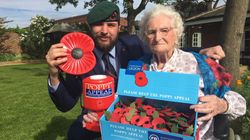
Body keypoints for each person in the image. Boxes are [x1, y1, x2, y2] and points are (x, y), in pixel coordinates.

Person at [46, 1, 228, 140]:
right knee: (74, 134)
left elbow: (163, 45)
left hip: (132, 117)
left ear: (119, 27)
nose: (104, 31)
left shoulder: (133, 45)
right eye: (98, 25)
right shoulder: (79, 57)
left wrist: (200, 52)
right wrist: (54, 74)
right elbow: (65, 104)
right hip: (94, 116)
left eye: (110, 25)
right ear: (89, 27)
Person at [138, 4, 246, 140]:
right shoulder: (139, 66)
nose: (158, 37)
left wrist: (222, 105)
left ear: (176, 33)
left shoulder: (202, 64)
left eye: (164, 30)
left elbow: (240, 103)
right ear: (145, 36)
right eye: (151, 32)